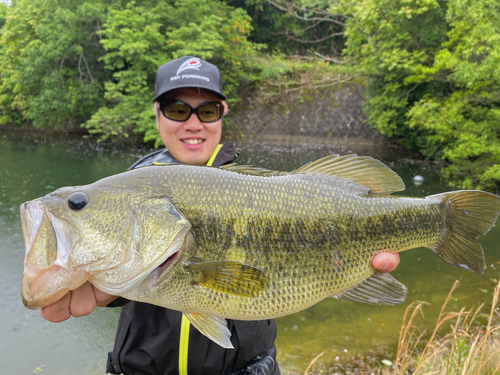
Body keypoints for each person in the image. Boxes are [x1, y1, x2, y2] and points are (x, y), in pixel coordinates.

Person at [39, 56, 401, 374]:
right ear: (157, 113)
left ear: (223, 114)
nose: (193, 123)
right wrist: (105, 282)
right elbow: (144, 265)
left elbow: (248, 283)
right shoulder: (129, 189)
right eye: (177, 109)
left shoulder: (261, 187)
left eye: (207, 111)